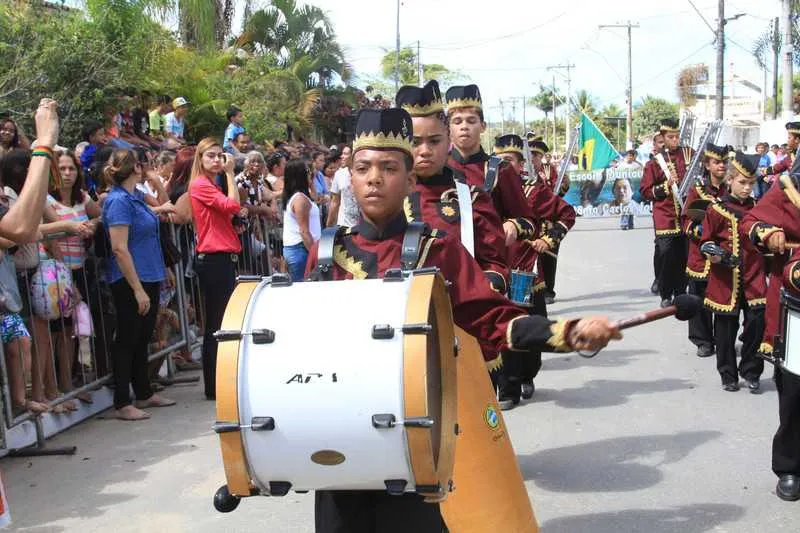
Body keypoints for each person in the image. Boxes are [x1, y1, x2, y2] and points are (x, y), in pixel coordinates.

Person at [306, 107, 621, 533]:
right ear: (350, 177)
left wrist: (567, 332)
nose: (374, 178)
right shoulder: (326, 254)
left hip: (414, 433)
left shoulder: (437, 251)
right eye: (363, 168)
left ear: (410, 181)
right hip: (341, 430)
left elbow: (490, 316)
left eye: (388, 168)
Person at [494, 134, 576, 407]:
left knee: (530, 330)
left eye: (508, 161)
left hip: (526, 272)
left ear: (520, 165)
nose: (502, 166)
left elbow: (567, 214)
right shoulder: (483, 190)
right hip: (494, 272)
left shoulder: (534, 191)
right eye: (499, 160)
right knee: (500, 331)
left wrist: (547, 240)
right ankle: (507, 389)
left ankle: (527, 376)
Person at [741, 156, 800, 501]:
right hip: (796, 307)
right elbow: (752, 221)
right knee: (794, 392)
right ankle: (790, 466)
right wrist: (769, 231)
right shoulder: (788, 189)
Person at [102, 149, 176, 420]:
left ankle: (143, 392)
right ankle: (123, 400)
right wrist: (136, 288)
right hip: (130, 279)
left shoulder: (134, 197)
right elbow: (119, 248)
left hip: (150, 274)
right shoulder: (118, 201)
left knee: (142, 336)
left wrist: (163, 269)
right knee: (127, 340)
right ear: (135, 168)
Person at [699, 151, 765, 393]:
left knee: (757, 325)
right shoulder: (716, 210)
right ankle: (728, 374)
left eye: (751, 183)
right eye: (742, 183)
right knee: (725, 331)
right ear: (730, 181)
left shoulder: (760, 209)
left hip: (755, 279)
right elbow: (705, 242)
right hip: (725, 281)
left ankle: (751, 370)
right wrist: (720, 255)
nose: (747, 188)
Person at [190, 138, 246, 399]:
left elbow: (229, 212)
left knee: (222, 320)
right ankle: (213, 385)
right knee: (216, 322)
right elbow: (232, 205)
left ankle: (218, 382)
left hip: (222, 256)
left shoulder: (211, 184)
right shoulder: (200, 184)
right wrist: (231, 173)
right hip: (213, 259)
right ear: (200, 159)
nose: (216, 160)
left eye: (218, 156)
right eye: (210, 156)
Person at [445, 84, 536, 246]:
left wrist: (514, 225)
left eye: (471, 121)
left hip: (490, 262)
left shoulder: (501, 170)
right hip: (445, 261)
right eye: (457, 121)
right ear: (448, 127)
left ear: (483, 126)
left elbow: (528, 222)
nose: (464, 126)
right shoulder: (438, 168)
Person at [680, 143, 729, 358]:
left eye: (724, 162)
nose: (722, 166)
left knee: (722, 299)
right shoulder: (697, 189)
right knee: (698, 298)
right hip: (700, 256)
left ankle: (722, 339)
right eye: (717, 162)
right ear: (707, 165)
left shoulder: (732, 189)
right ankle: (703, 340)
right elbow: (686, 221)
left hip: (724, 256)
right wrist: (704, 234)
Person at [640, 119, 693, 308]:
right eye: (671, 137)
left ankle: (680, 291)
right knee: (665, 254)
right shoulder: (655, 163)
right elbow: (645, 191)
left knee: (683, 255)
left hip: (685, 214)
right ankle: (665, 292)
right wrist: (665, 186)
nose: (675, 140)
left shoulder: (688, 155)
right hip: (665, 216)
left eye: (677, 136)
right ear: (663, 138)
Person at [530, 139, 574, 304]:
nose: (533, 158)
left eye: (536, 155)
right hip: (530, 219)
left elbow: (559, 192)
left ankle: (548, 290)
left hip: (549, 218)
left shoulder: (549, 170)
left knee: (549, 256)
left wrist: (563, 186)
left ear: (541, 156)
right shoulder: (521, 170)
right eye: (531, 154)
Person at [282, 159, 321, 281]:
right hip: (301, 249)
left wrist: (311, 184)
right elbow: (304, 232)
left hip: (301, 249)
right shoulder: (300, 200)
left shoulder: (301, 197)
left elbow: (315, 199)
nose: (311, 173)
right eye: (308, 171)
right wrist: (315, 255)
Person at [761, 123, 800, 197]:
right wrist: (765, 171)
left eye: (789, 138)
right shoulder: (791, 155)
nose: (787, 140)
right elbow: (780, 166)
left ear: (797, 140)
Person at [327, 144, 360, 227]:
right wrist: (329, 223)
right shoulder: (339, 174)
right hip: (344, 224)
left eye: (345, 154)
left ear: (354, 155)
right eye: (342, 154)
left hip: (362, 225)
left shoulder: (364, 173)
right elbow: (335, 202)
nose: (342, 156)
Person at [617, 150, 642, 230]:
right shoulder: (621, 165)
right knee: (625, 205)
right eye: (628, 155)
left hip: (634, 188)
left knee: (631, 205)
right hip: (625, 187)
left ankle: (630, 223)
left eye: (631, 156)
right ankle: (624, 223)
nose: (630, 157)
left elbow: (642, 173)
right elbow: (617, 176)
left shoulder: (636, 166)